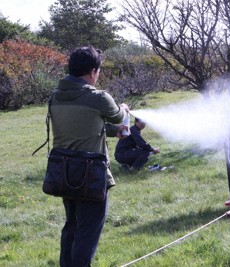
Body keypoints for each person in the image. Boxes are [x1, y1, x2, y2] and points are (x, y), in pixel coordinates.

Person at [50, 46, 130, 266]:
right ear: (93, 71)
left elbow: (84, 123)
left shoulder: (57, 96)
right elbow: (118, 115)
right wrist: (124, 109)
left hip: (64, 172)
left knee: (72, 227)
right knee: (88, 232)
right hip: (91, 175)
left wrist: (115, 133)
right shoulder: (98, 97)